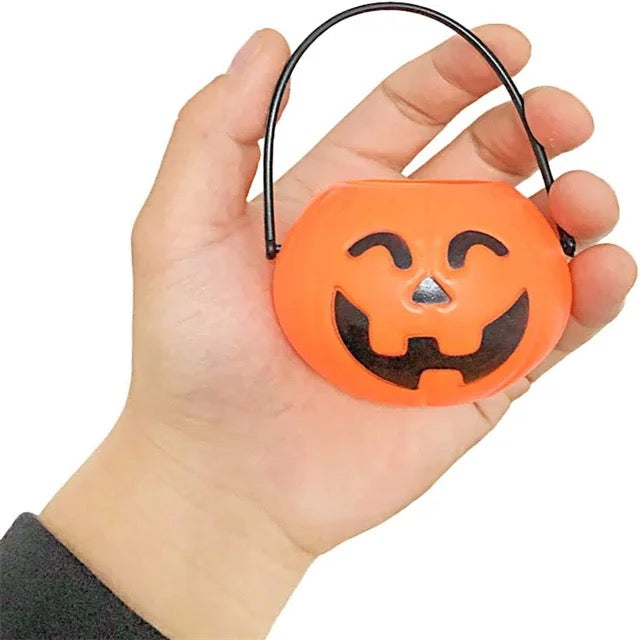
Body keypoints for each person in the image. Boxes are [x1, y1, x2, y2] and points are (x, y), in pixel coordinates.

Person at [0, 25, 636, 640]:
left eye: (469, 258)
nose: (429, 295)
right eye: (387, 259)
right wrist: (196, 476)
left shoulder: (510, 253)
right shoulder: (320, 243)